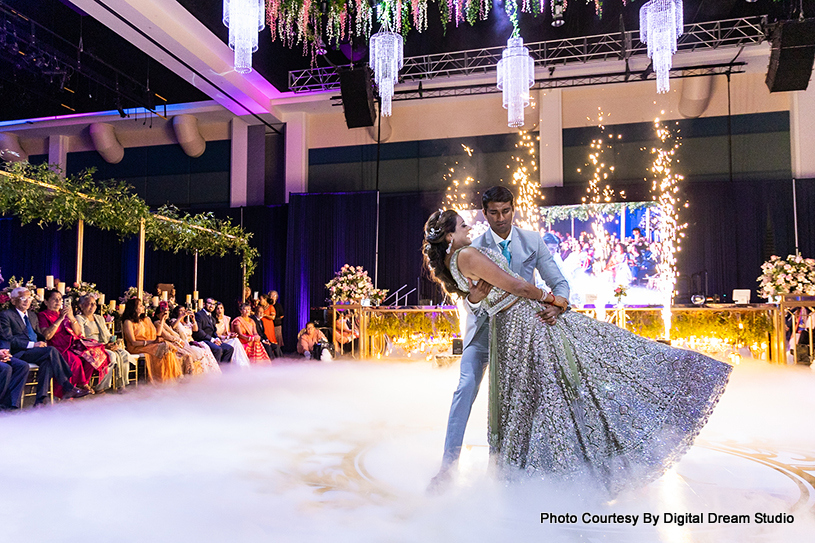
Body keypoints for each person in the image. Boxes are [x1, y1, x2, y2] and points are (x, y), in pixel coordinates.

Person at [423, 208, 731, 496]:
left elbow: (537, 280)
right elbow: (508, 288)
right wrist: (553, 300)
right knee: (516, 389)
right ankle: (456, 468)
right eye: (464, 224)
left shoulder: (502, 245)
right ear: (450, 235)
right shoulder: (470, 251)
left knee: (552, 385)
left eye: (505, 210)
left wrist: (554, 298)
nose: (475, 224)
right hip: (511, 324)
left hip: (517, 325)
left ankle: (552, 470)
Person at [428, 186, 570, 490]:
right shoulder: (471, 247)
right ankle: (447, 467)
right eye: (493, 212)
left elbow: (558, 282)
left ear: (514, 209)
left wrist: (557, 307)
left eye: (506, 211)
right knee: (465, 388)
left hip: (523, 330)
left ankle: (527, 467)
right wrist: (476, 301)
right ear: (485, 213)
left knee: (530, 395)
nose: (501, 218)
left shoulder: (532, 240)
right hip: (483, 331)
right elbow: (468, 298)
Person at [0, 287, 91, 404]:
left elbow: (40, 336)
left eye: (29, 298)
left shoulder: (32, 315)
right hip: (19, 352)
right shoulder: (6, 315)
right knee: (51, 351)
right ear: (13, 301)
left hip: (35, 351)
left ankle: (40, 400)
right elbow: (9, 339)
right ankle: (67, 386)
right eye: (23, 298)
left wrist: (42, 343)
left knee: (47, 362)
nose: (27, 301)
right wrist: (33, 345)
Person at [38, 289, 111, 393]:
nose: (58, 302)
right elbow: (47, 336)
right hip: (57, 346)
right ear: (46, 302)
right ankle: (69, 391)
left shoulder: (65, 314)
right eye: (55, 299)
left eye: (60, 299)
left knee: (94, 355)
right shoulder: (43, 315)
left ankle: (82, 383)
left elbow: (77, 332)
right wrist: (60, 319)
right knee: (74, 361)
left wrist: (72, 318)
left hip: (72, 344)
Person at [76, 294, 134, 391]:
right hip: (91, 347)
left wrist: (113, 342)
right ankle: (101, 387)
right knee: (111, 356)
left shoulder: (99, 318)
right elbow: (82, 338)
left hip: (105, 344)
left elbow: (107, 334)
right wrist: (102, 346)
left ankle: (121, 384)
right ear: (81, 305)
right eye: (89, 304)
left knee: (124, 354)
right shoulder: (79, 318)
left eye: (94, 304)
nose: (93, 306)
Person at [121, 298, 183, 383]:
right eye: (140, 305)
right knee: (163, 347)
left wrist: (162, 320)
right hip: (136, 347)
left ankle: (170, 377)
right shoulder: (128, 322)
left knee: (167, 346)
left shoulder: (146, 319)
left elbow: (157, 333)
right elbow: (133, 342)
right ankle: (160, 379)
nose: (143, 307)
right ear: (134, 308)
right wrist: (152, 342)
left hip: (150, 344)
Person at [169, 305, 221, 375]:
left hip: (191, 341)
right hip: (182, 343)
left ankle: (211, 373)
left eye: (184, 311)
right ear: (176, 312)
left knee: (206, 348)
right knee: (200, 351)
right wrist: (180, 317)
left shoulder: (187, 322)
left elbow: (195, 329)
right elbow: (173, 326)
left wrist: (193, 319)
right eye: (181, 311)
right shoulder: (174, 320)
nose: (183, 312)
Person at [193, 298, 234, 364]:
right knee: (217, 349)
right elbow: (199, 331)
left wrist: (217, 338)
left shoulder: (212, 317)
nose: (211, 306)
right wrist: (212, 339)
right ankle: (215, 371)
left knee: (229, 349)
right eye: (209, 303)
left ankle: (223, 369)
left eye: (213, 304)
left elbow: (214, 331)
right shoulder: (199, 315)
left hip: (211, 339)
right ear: (204, 304)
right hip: (203, 339)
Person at [212, 302, 250, 368]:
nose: (220, 310)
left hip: (225, 339)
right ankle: (237, 365)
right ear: (215, 310)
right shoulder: (212, 319)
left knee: (235, 340)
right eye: (217, 308)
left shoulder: (226, 319)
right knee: (235, 341)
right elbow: (215, 334)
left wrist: (232, 335)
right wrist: (227, 337)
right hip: (218, 339)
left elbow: (228, 332)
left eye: (221, 308)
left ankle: (241, 365)